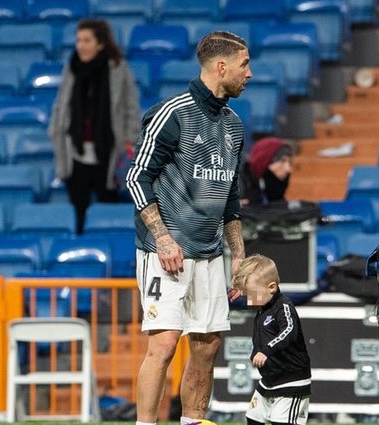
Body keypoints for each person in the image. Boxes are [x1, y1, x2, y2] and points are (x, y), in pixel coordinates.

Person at [125, 31, 252, 425]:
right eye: (245, 64)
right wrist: (162, 239)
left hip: (210, 253)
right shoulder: (172, 113)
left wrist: (239, 255)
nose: (250, 73)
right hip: (166, 251)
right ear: (221, 67)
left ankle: (192, 422)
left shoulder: (234, 125)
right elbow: (136, 177)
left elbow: (230, 196)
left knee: (208, 346)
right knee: (163, 345)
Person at [49, 18, 141, 234]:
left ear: (100, 43)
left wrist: (130, 141)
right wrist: (55, 130)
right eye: (78, 40)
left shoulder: (119, 69)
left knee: (107, 203)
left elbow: (130, 108)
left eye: (86, 40)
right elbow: (61, 104)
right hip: (75, 150)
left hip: (108, 149)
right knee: (78, 207)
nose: (80, 45)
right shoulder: (71, 68)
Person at [232, 254, 312, 425]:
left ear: (272, 287)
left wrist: (266, 350)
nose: (248, 301)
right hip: (269, 381)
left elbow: (289, 331)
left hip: (291, 381)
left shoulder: (283, 307)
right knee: (253, 418)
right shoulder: (262, 307)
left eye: (252, 295)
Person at [239, 137, 294, 205]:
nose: (288, 169)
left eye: (290, 163)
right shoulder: (238, 186)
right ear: (264, 161)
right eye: (282, 161)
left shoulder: (272, 186)